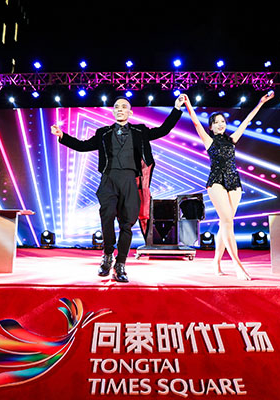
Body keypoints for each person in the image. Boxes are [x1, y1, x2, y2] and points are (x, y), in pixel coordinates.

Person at [51, 95, 186, 282]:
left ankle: (120, 264)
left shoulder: (140, 131)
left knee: (127, 223)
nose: (120, 109)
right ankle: (107, 255)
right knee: (107, 217)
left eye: (124, 107)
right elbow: (83, 146)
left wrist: (177, 108)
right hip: (109, 180)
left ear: (130, 112)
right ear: (113, 112)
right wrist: (63, 136)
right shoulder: (103, 133)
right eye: (116, 107)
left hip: (130, 181)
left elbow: (163, 129)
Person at [184, 92, 274, 278]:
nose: (220, 124)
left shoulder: (232, 140)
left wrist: (260, 103)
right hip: (216, 181)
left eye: (222, 121)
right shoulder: (209, 141)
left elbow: (246, 122)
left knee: (225, 224)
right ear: (211, 126)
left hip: (234, 182)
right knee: (227, 222)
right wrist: (188, 103)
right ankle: (238, 265)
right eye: (216, 122)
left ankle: (216, 263)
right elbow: (196, 123)